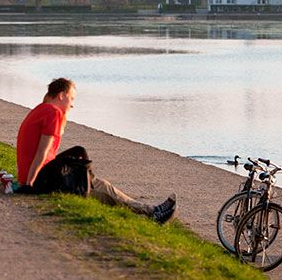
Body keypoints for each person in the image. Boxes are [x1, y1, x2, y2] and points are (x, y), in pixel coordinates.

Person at [15, 78, 177, 224]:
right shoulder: (53, 113)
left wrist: (26, 180)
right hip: (43, 179)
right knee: (101, 189)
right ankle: (152, 213)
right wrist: (29, 184)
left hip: (40, 175)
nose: (72, 104)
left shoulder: (41, 109)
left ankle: (152, 211)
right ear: (62, 95)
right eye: (71, 98)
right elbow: (42, 153)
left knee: (93, 177)